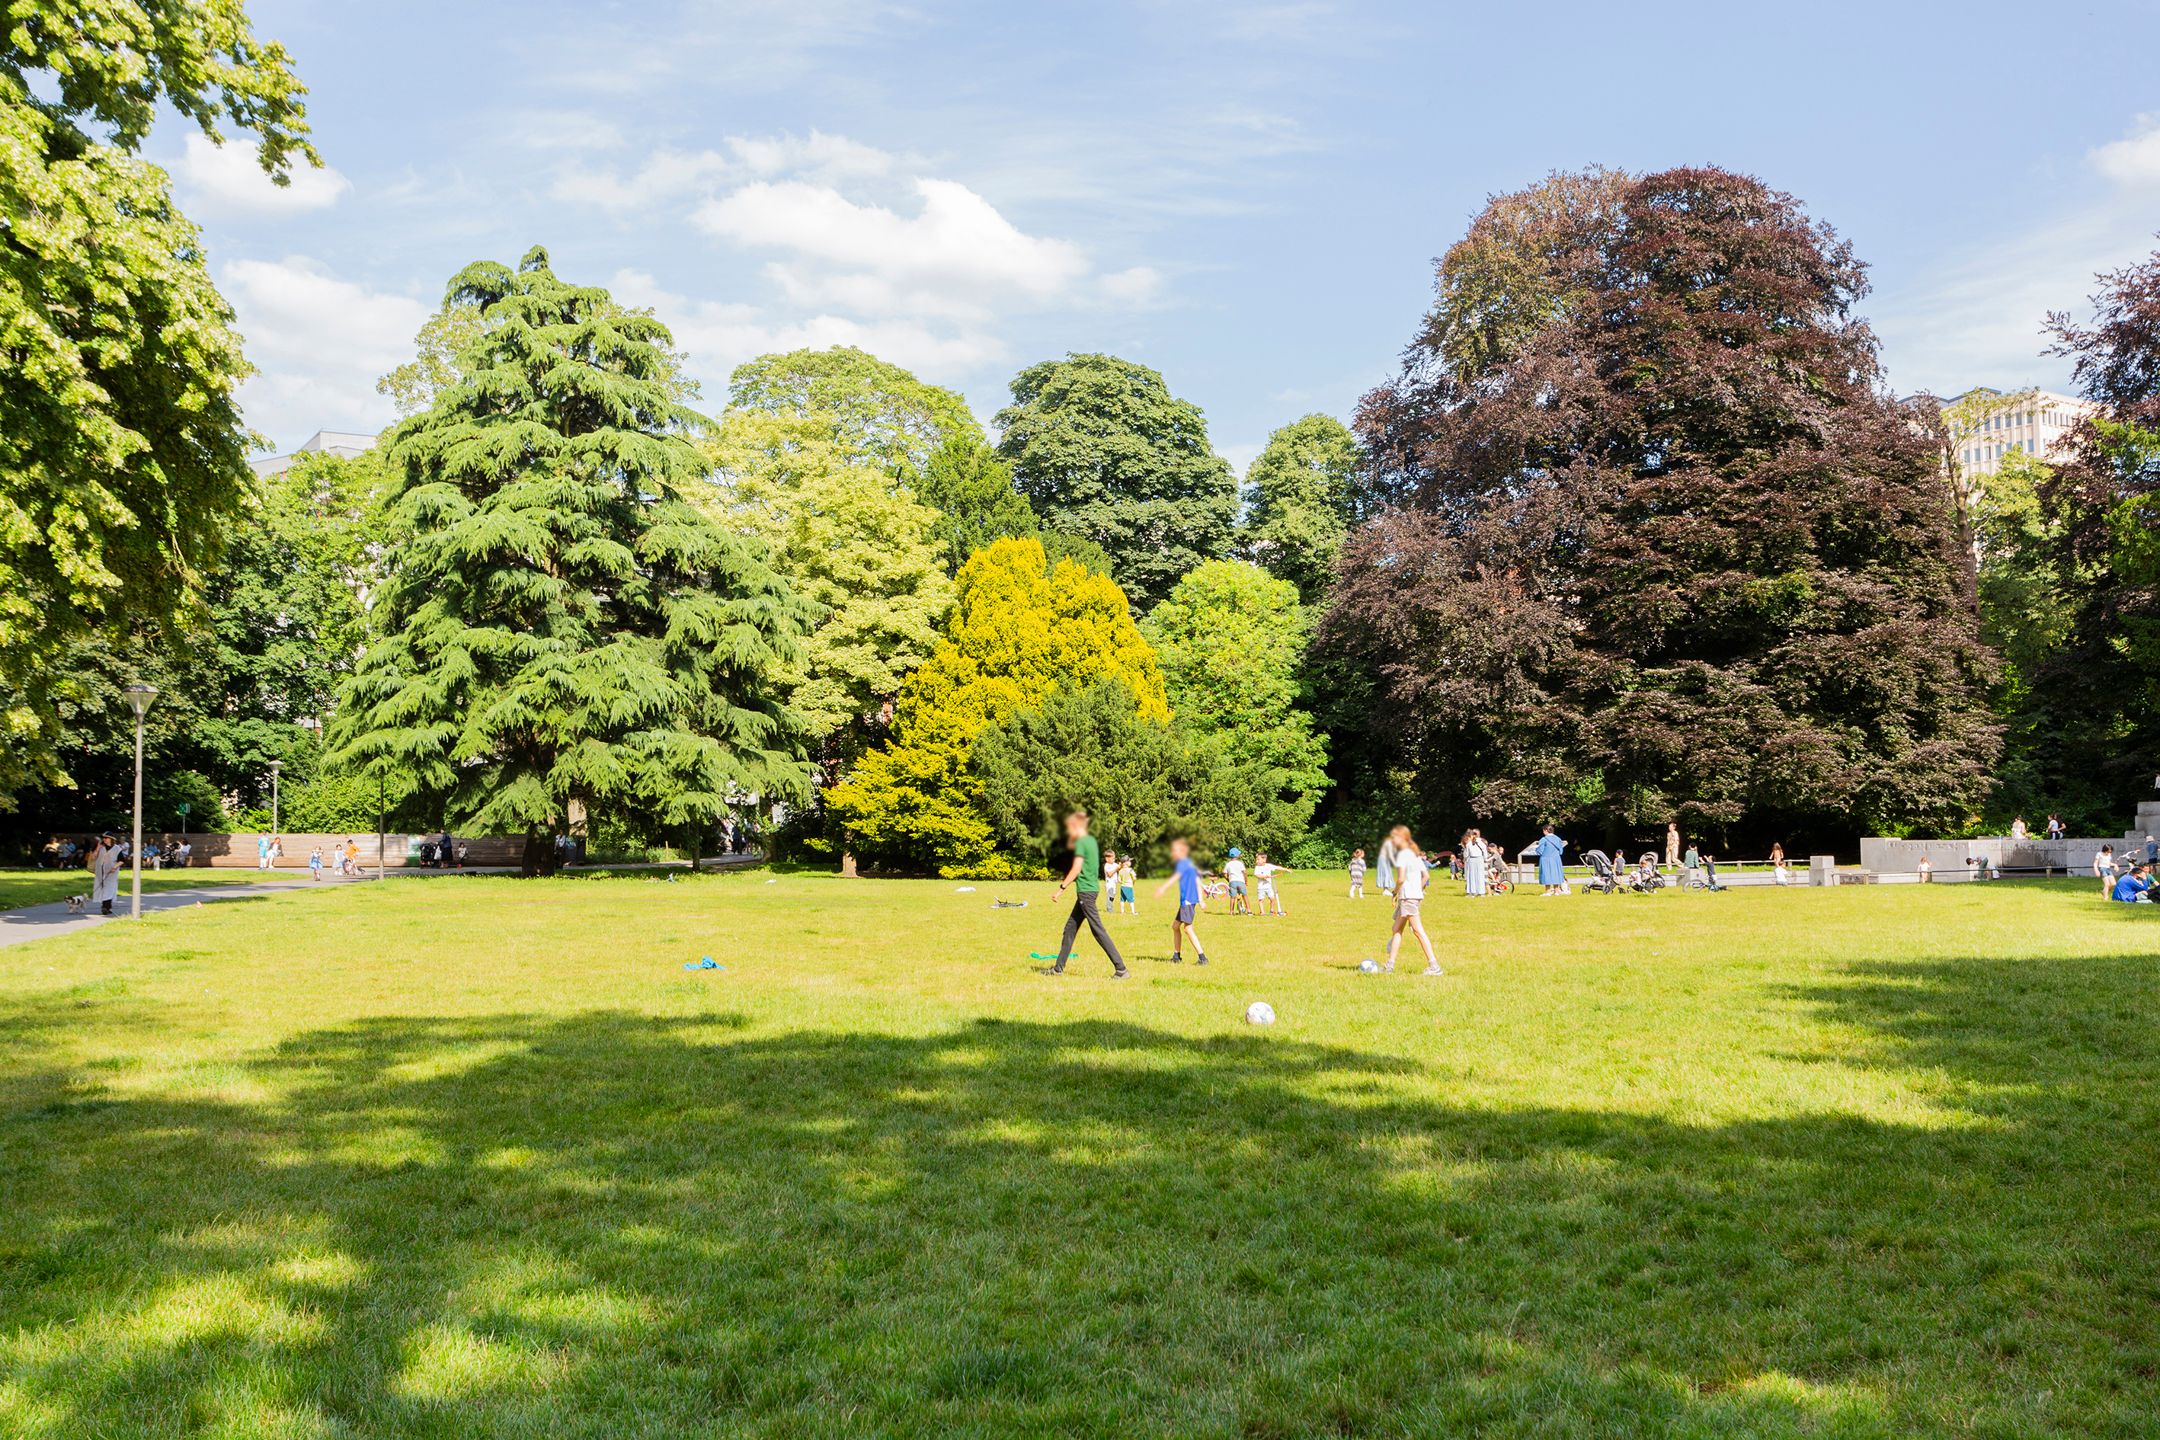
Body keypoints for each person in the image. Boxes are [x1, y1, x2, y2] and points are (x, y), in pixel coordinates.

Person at [1045, 810, 1128, 978]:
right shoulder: (1091, 841)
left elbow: (1076, 868)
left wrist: (1061, 889)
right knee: (1070, 928)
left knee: (1098, 930)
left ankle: (1121, 969)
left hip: (1086, 893)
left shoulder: (1082, 843)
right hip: (1090, 890)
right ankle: (1058, 969)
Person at [1379, 826, 1441, 975]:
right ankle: (1390, 965)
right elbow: (1426, 876)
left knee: (1418, 931)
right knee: (1396, 929)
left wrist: (1394, 892)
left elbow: (1400, 879)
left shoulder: (1402, 856)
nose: (1392, 840)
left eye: (1394, 837)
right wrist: (1417, 890)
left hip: (1408, 898)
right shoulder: (1415, 855)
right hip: (1412, 897)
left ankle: (1434, 966)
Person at [1153, 837, 1210, 966]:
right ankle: (1176, 956)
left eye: (1175, 850)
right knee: (1175, 926)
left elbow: (1176, 877)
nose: (1173, 852)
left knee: (1188, 929)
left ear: (1183, 851)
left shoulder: (1183, 863)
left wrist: (1162, 888)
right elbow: (1197, 881)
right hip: (1189, 901)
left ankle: (1202, 957)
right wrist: (1200, 900)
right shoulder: (1189, 863)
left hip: (1187, 901)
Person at [89, 832, 122, 916]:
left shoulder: (117, 848)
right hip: (100, 871)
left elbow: (121, 860)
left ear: (111, 839)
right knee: (102, 888)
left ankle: (105, 907)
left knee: (109, 888)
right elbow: (93, 857)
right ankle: (108, 907)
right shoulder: (100, 848)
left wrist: (115, 867)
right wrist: (97, 847)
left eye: (106, 838)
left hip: (112, 871)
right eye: (103, 838)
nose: (104, 839)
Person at [1534, 823, 1568, 897]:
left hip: (1546, 858)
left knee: (1547, 874)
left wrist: (1536, 850)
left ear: (1546, 830)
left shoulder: (1544, 839)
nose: (1543, 832)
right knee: (1556, 874)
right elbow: (1561, 851)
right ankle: (1556, 891)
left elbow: (1540, 850)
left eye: (1543, 831)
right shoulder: (1558, 838)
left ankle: (1548, 891)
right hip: (1556, 859)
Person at [1222, 848, 1249, 915]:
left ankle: (1231, 912)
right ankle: (1249, 911)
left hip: (1232, 882)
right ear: (1237, 855)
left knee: (1232, 897)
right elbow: (1245, 872)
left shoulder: (1228, 864)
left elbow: (1224, 873)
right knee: (1244, 895)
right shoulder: (1240, 863)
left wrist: (1228, 879)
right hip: (1241, 881)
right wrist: (1246, 880)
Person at [1462, 827, 1488, 897]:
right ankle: (1481, 892)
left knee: (1471, 876)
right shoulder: (1481, 842)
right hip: (1479, 860)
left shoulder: (1469, 844)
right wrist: (1485, 859)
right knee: (1480, 876)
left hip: (1472, 860)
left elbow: (1466, 854)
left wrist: (1465, 859)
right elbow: (1485, 852)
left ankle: (1472, 892)